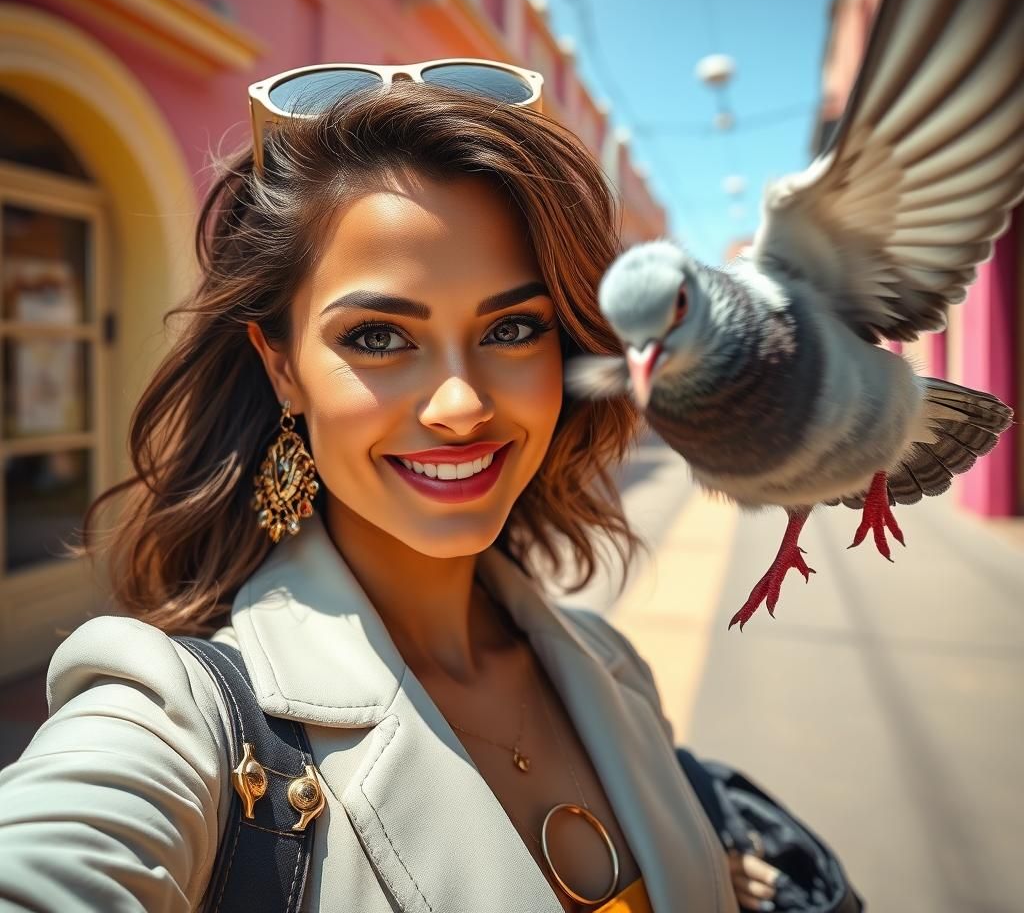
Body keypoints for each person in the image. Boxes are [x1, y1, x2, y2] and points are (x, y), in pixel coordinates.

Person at [0, 63, 779, 912]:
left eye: (513, 328)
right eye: (378, 337)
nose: (461, 405)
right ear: (281, 367)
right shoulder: (171, 719)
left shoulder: (610, 665)